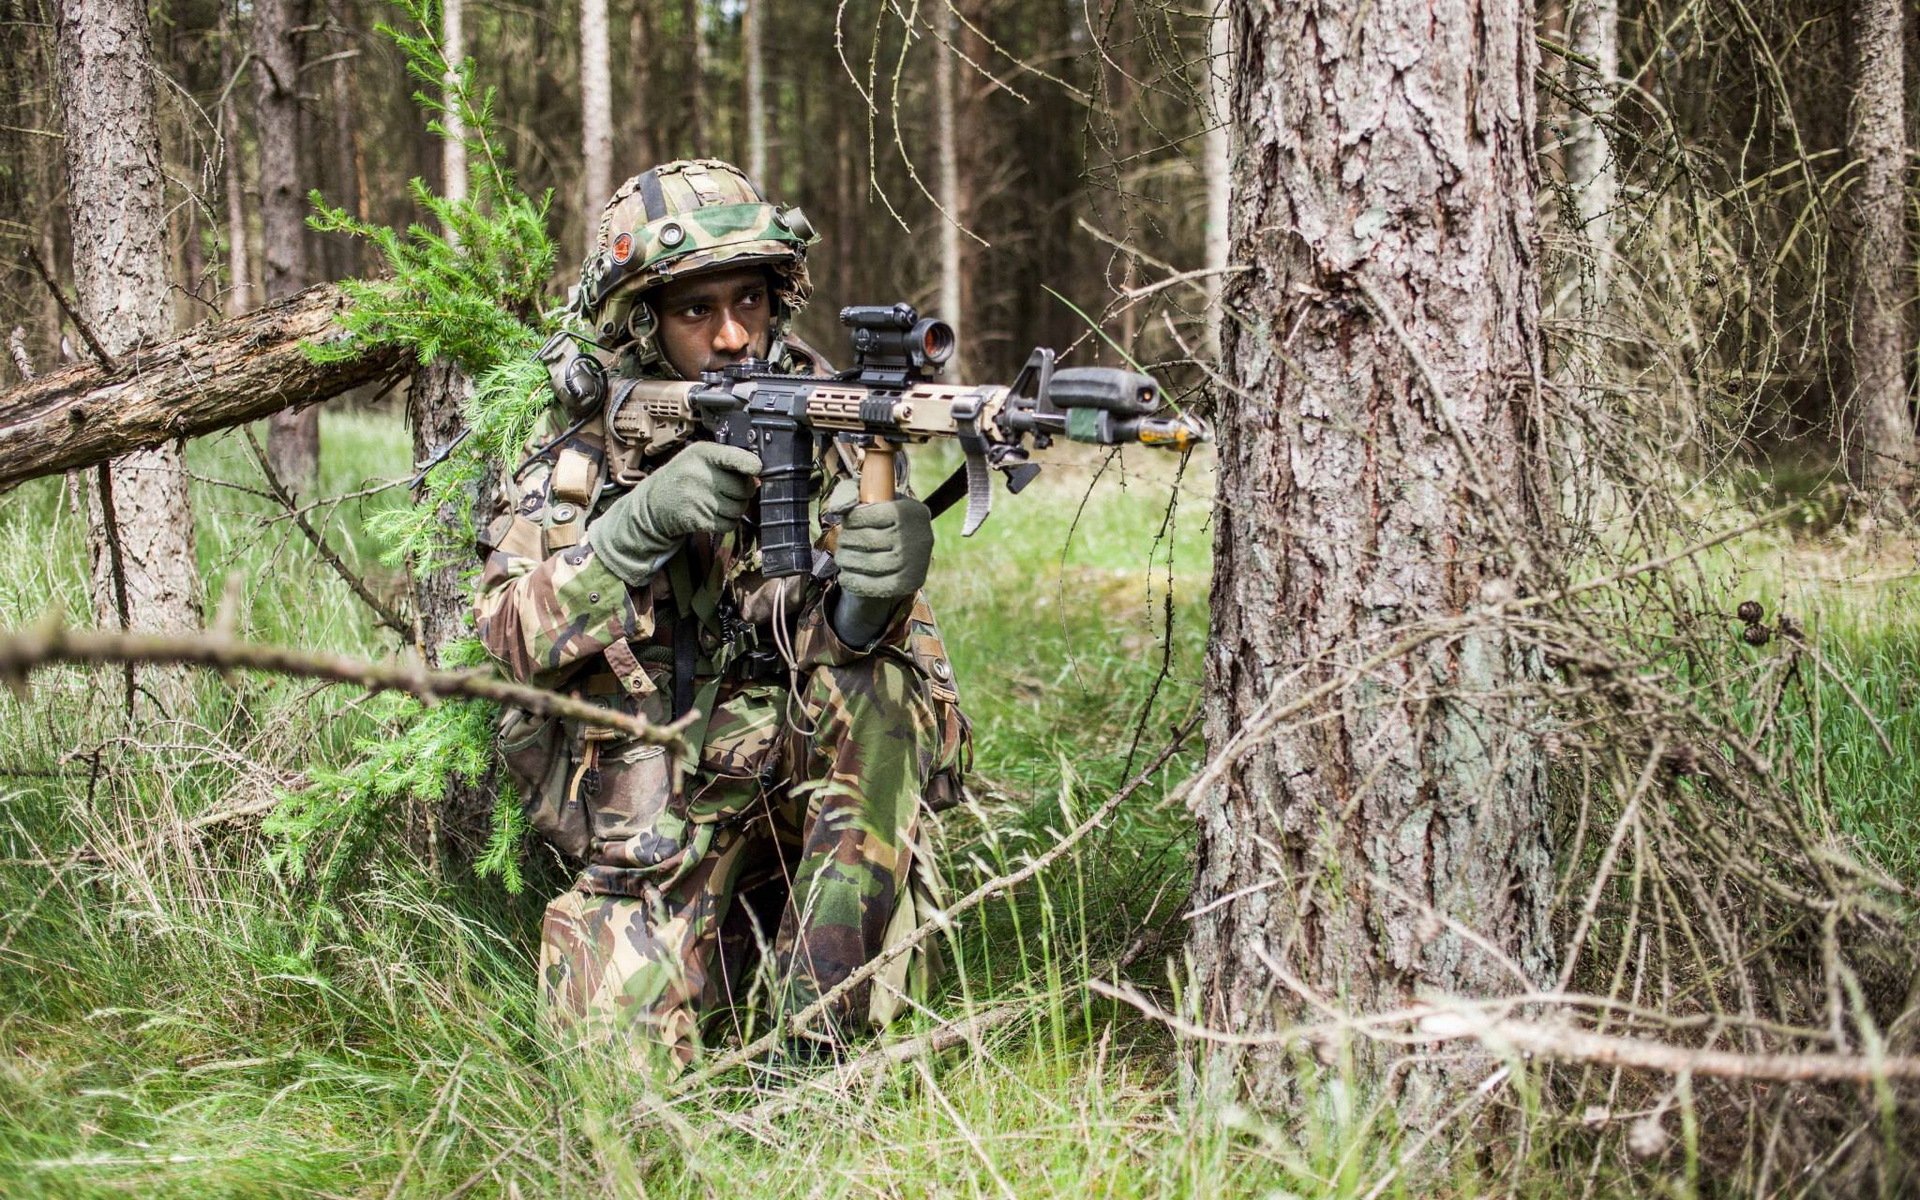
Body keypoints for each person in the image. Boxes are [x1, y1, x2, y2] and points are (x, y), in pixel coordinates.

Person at [473, 158, 969, 1072]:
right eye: (697, 310)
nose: (734, 335)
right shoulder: (582, 446)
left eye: (750, 301)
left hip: (800, 777)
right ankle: (722, 964)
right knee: (612, 1095)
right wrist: (634, 529)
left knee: (887, 702)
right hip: (646, 806)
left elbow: (889, 693)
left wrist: (873, 602)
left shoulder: (832, 425)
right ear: (645, 322)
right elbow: (507, 639)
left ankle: (816, 1047)